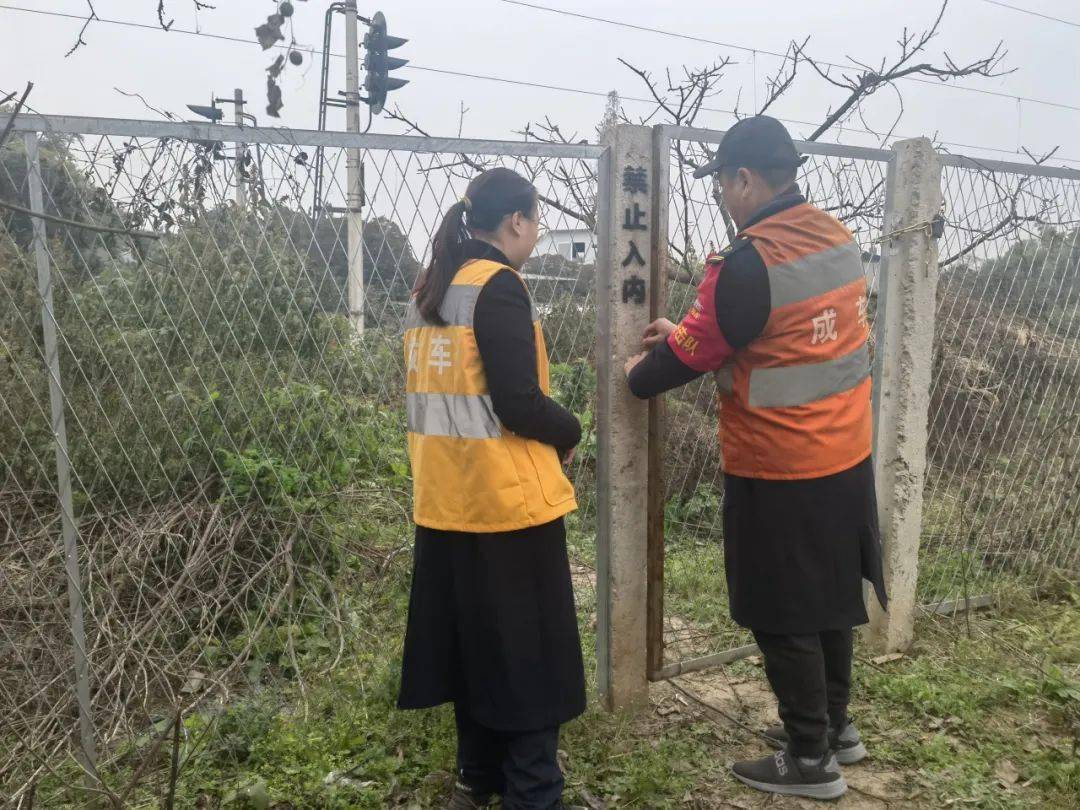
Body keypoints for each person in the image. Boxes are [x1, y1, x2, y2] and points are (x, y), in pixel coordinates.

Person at [625, 116, 888, 802]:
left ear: (744, 178)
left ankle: (809, 762)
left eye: (720, 182)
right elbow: (749, 331)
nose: (718, 194)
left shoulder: (749, 259)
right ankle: (834, 729)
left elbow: (697, 351)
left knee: (783, 610)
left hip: (780, 463)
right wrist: (684, 334)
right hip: (844, 453)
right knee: (831, 598)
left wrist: (633, 375)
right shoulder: (835, 238)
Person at [398, 167, 586, 810]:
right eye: (536, 221)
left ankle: (476, 782)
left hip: (445, 501)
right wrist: (572, 428)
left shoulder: (432, 287)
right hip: (507, 507)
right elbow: (520, 403)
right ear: (516, 222)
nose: (535, 233)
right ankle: (534, 794)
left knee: (476, 652)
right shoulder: (497, 287)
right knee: (530, 662)